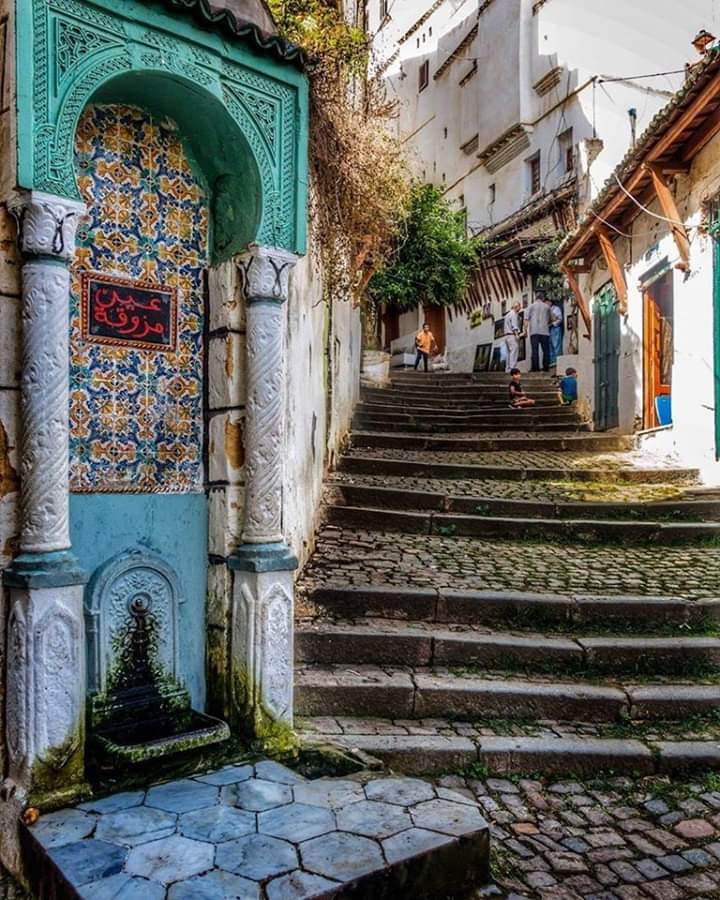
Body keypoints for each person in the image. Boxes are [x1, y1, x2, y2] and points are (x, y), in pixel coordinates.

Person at [527, 290, 551, 372]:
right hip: (545, 331)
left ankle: (535, 368)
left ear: (535, 298)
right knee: (546, 350)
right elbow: (549, 319)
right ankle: (546, 367)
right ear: (543, 298)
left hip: (534, 331)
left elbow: (526, 319)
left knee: (535, 350)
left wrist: (525, 330)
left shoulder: (531, 306)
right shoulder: (547, 307)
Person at [503, 301, 523, 372]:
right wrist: (517, 335)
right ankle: (512, 368)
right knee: (514, 351)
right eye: (519, 307)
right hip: (512, 335)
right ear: (516, 307)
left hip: (506, 336)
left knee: (508, 353)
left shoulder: (507, 315)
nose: (520, 308)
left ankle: (507, 369)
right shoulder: (514, 314)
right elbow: (514, 326)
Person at [549, 300, 564, 366]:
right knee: (550, 345)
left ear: (550, 302)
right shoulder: (547, 309)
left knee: (556, 344)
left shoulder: (556, 309)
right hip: (549, 329)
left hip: (556, 328)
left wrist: (553, 323)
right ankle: (552, 361)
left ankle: (557, 360)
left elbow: (560, 319)